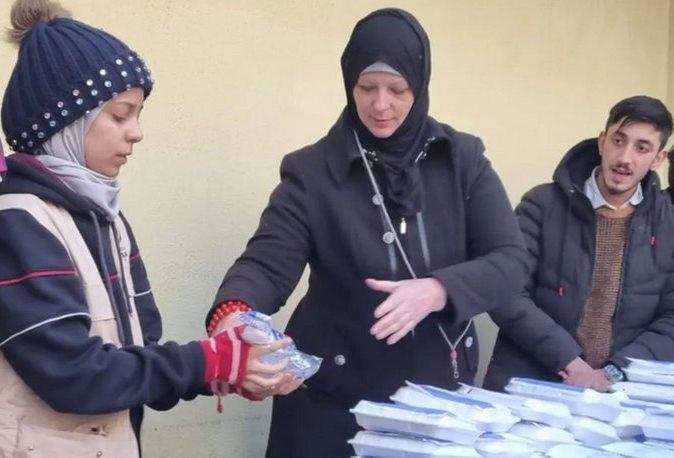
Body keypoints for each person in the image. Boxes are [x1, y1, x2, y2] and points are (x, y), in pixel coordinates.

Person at [206, 8, 527, 457]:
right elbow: (266, 262)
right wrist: (234, 314)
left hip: (434, 404)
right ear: (348, 83)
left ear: (420, 84)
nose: (380, 105)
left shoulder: (462, 160)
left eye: (397, 89)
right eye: (366, 87)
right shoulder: (312, 170)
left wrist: (438, 290)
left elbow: (510, 261)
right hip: (333, 403)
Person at [0, 1, 294, 456]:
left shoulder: (107, 219)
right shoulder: (17, 220)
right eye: (120, 115)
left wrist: (230, 371)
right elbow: (74, 375)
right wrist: (208, 362)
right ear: (65, 121)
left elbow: (138, 358)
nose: (136, 132)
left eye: (138, 114)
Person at [485, 96, 674, 392]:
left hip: (620, 394)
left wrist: (612, 373)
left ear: (658, 159)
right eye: (618, 140)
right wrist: (570, 362)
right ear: (602, 141)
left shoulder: (668, 223)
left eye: (642, 148)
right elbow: (504, 291)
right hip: (530, 386)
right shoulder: (541, 204)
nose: (625, 158)